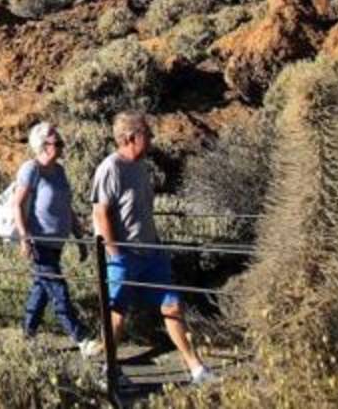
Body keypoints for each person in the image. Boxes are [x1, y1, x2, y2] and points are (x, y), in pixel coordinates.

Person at [91, 111, 215, 385]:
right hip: (123, 255)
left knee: (172, 305)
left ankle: (196, 368)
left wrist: (156, 244)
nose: (152, 138)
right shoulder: (110, 168)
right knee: (117, 314)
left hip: (151, 252)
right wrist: (115, 252)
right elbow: (101, 213)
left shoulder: (140, 166)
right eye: (147, 133)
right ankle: (109, 371)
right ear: (130, 137)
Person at [12, 121, 100, 357]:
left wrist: (78, 236)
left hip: (56, 243)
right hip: (38, 242)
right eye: (57, 143)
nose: (62, 147)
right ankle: (82, 338)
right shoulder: (31, 169)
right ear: (44, 146)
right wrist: (25, 238)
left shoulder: (59, 171)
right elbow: (17, 205)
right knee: (58, 289)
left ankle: (26, 336)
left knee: (41, 290)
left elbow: (66, 207)